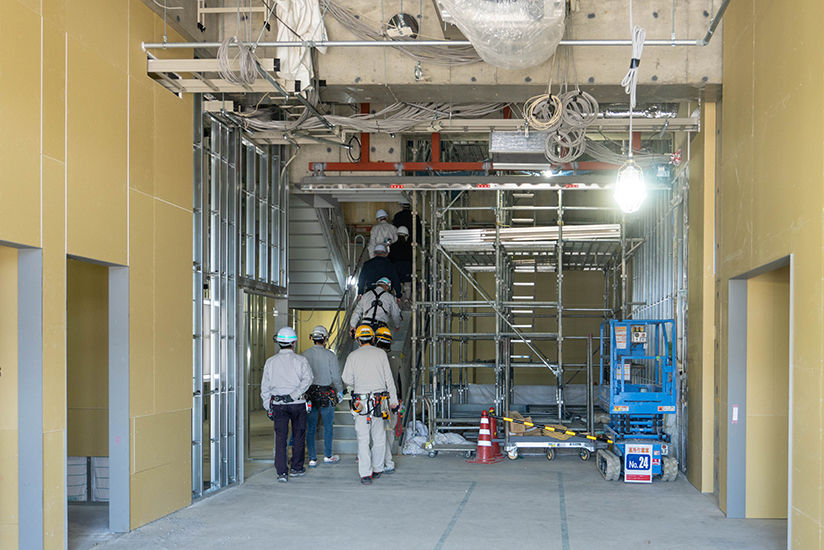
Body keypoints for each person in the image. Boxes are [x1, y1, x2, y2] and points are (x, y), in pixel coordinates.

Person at [342, 325, 399, 484]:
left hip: (361, 402)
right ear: (373, 338)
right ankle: (378, 468)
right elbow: (389, 381)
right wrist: (393, 402)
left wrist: (359, 382)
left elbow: (347, 379)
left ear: (358, 339)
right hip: (380, 402)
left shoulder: (352, 356)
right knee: (379, 436)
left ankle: (365, 474)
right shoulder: (381, 354)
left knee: (363, 438)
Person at [260, 326, 314, 482]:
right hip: (298, 403)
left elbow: (265, 386)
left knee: (280, 438)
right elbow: (308, 379)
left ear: (278, 343)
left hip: (278, 405)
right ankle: (297, 468)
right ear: (294, 343)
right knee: (298, 436)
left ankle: (282, 472)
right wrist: (294, 395)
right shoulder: (301, 360)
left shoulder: (270, 362)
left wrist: (267, 406)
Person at [301, 325, 344, 467]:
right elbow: (336, 377)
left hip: (310, 394)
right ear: (325, 339)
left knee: (311, 427)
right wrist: (339, 391)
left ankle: (312, 459)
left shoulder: (304, 355)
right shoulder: (330, 355)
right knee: (328, 426)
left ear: (312, 338)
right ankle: (328, 455)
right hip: (327, 394)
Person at [375, 327, 402, 474]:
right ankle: (388, 460)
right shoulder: (395, 358)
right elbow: (400, 380)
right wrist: (399, 399)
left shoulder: (374, 358)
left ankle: (382, 460)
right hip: (392, 400)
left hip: (377, 400)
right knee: (389, 431)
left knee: (379, 432)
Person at [388, 225, 413, 305]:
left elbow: (390, 259)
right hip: (407, 267)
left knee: (396, 283)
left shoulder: (392, 246)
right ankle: (407, 299)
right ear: (406, 236)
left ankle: (396, 298)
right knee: (407, 285)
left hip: (395, 267)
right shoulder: (410, 247)